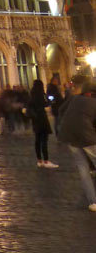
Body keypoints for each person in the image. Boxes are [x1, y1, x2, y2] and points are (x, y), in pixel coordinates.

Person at [57, 73, 96, 212]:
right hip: (87, 137)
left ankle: (93, 202)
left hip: (70, 136)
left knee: (83, 169)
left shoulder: (74, 98)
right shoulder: (94, 102)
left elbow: (60, 110)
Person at [27, 78, 57, 168]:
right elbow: (45, 104)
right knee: (44, 140)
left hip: (35, 120)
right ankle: (46, 161)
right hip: (42, 119)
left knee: (37, 140)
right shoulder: (41, 95)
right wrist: (50, 102)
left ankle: (39, 160)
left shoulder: (31, 95)